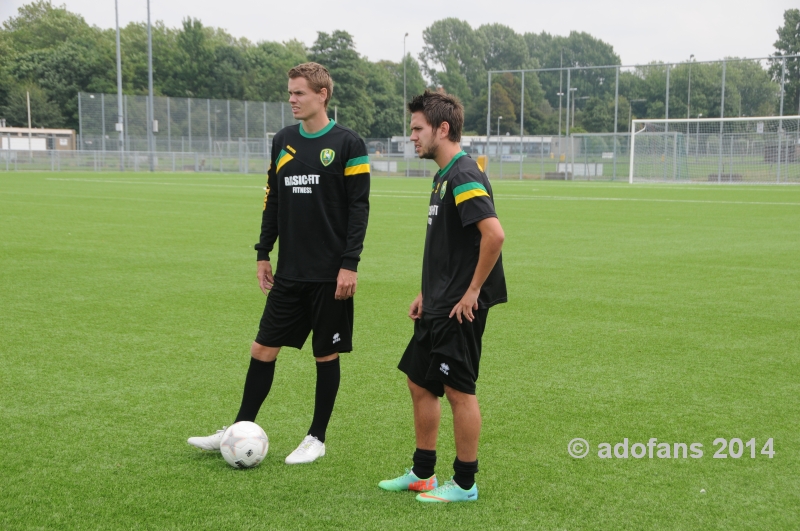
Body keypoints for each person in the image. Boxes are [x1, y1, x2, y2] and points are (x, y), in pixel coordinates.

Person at [188, 62, 370, 464]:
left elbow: (359, 208)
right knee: (262, 349)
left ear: (322, 95)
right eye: (289, 92)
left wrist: (349, 264)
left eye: (299, 92)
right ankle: (238, 429)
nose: (292, 99)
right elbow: (273, 199)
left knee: (325, 354)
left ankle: (316, 438)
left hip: (329, 274)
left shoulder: (348, 143)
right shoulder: (283, 140)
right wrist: (262, 251)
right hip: (289, 271)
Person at [378, 90, 506, 502]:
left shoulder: (464, 174)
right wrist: (424, 291)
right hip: (436, 302)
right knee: (420, 383)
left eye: (417, 128)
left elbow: (494, 235)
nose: (411, 136)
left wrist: (472, 292)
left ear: (442, 128)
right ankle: (422, 473)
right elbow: (451, 245)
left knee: (459, 391)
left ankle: (465, 484)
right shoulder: (442, 175)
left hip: (459, 308)